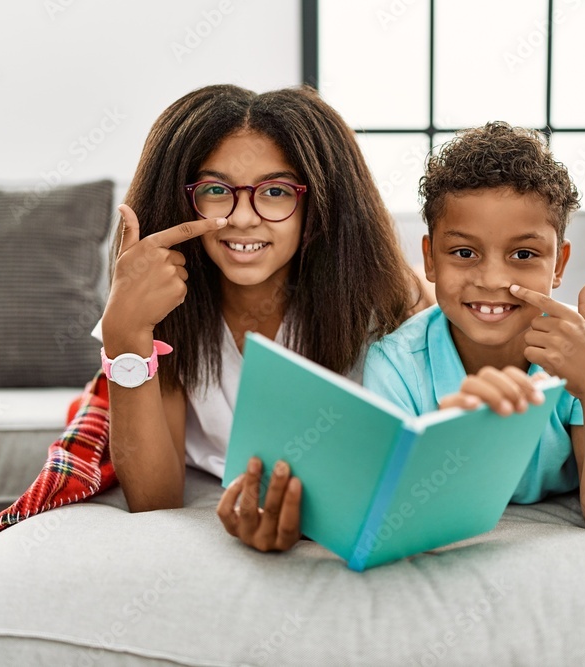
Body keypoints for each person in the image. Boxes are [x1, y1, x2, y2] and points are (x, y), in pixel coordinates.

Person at [100, 84, 428, 553]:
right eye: (216, 190)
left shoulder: (388, 301)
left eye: (274, 192)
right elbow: (155, 501)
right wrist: (125, 333)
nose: (243, 218)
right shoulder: (161, 304)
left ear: (320, 203)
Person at [362, 121, 585, 534]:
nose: (493, 280)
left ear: (559, 265)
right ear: (430, 259)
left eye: (524, 253)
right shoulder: (395, 364)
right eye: (463, 252)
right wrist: (449, 438)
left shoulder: (582, 340)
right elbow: (393, 512)